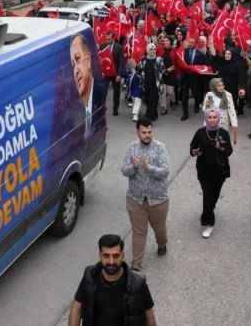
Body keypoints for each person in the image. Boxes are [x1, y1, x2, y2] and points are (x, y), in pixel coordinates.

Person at [69, 234, 157, 326]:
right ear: (100, 255)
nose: (111, 262)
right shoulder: (90, 275)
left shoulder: (138, 283)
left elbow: (150, 317)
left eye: (116, 256)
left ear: (122, 255)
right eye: (106, 256)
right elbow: (77, 306)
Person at [120, 118, 170, 271]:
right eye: (144, 132)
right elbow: (124, 170)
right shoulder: (132, 148)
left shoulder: (160, 148)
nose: (147, 135)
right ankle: (136, 265)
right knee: (139, 232)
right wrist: (134, 167)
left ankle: (162, 243)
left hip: (158, 200)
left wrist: (150, 168)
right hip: (136, 200)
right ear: (138, 132)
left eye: (149, 132)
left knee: (159, 229)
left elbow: (165, 171)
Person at [189, 109, 233, 238]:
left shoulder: (224, 133)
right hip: (204, 171)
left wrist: (221, 148)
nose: (212, 119)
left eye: (215, 117)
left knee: (214, 195)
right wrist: (195, 152)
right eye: (210, 117)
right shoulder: (200, 132)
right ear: (206, 119)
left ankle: (208, 210)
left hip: (220, 171)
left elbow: (229, 151)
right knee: (207, 195)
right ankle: (209, 222)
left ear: (218, 119)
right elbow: (192, 149)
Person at [202, 78, 238, 144]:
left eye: (222, 85)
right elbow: (205, 110)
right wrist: (207, 106)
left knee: (222, 144)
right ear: (214, 86)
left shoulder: (228, 95)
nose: (222, 87)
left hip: (223, 124)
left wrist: (234, 124)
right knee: (211, 143)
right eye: (219, 86)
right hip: (211, 123)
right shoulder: (210, 95)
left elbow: (232, 111)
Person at [100, 32, 124, 116]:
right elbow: (100, 59)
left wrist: (119, 74)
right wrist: (101, 71)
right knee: (103, 92)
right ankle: (102, 108)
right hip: (106, 74)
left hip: (115, 74)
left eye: (109, 39)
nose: (107, 40)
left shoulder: (119, 47)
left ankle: (115, 109)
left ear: (113, 38)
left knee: (116, 92)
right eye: (106, 39)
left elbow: (121, 62)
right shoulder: (102, 46)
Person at [138, 44, 163, 121]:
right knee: (147, 99)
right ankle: (153, 113)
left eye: (154, 49)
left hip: (155, 83)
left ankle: (150, 115)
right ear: (147, 50)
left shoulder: (159, 59)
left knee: (154, 99)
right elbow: (139, 70)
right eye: (151, 49)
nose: (153, 51)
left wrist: (160, 80)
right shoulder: (143, 60)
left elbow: (162, 70)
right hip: (146, 83)